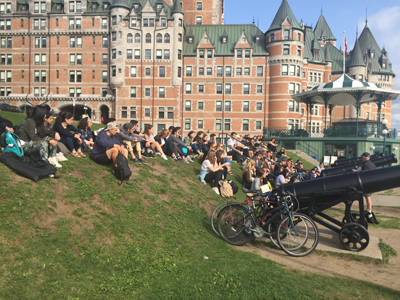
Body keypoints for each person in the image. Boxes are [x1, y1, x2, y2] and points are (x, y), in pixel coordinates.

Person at [360, 152, 379, 224]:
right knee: (368, 198)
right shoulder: (372, 164)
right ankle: (368, 210)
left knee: (368, 198)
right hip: (371, 184)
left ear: (365, 157)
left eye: (362, 157)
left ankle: (368, 211)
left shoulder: (365, 165)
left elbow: (363, 175)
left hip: (366, 185)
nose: (362, 158)